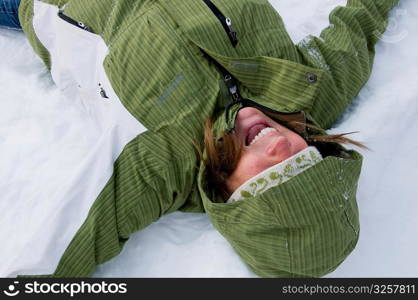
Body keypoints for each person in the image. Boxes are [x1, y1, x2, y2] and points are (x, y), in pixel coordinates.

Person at [1, 0, 400, 277]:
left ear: (227, 195)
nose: (282, 148)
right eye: (304, 160)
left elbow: (71, 245)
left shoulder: (169, 157)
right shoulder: (308, 89)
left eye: (272, 176)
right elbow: (361, 21)